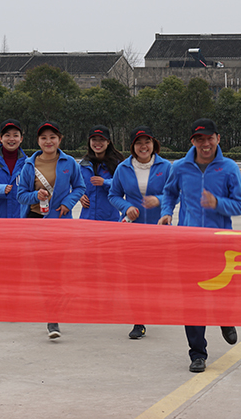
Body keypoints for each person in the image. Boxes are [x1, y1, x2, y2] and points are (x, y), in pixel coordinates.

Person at [159, 118, 241, 373]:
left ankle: (225, 318)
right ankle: (197, 353)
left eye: (209, 138)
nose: (205, 144)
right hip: (189, 244)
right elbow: (170, 193)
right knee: (192, 299)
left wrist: (217, 203)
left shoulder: (229, 168)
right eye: (199, 139)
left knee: (223, 290)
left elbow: (240, 205)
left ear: (218, 139)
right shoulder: (181, 167)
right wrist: (167, 212)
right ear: (193, 142)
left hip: (220, 243)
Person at [17, 120, 86, 339]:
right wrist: (35, 196)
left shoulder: (69, 163)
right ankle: (51, 315)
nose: (49, 141)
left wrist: (68, 203)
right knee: (45, 271)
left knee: (57, 270)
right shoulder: (30, 165)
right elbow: (20, 195)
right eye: (44, 138)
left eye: (53, 137)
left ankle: (53, 316)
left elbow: (81, 187)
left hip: (61, 222)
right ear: (38, 141)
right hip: (37, 222)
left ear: (60, 139)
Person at [108, 126, 172, 340]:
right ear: (132, 147)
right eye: (138, 143)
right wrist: (125, 207)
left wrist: (160, 200)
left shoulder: (166, 167)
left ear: (154, 144)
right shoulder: (123, 168)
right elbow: (113, 194)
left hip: (159, 229)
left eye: (147, 142)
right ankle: (138, 320)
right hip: (131, 231)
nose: (143, 146)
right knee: (135, 277)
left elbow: (175, 193)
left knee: (155, 275)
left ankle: (153, 307)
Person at [79, 125, 123, 222]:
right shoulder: (83, 164)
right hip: (87, 218)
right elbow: (75, 184)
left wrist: (105, 182)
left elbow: (123, 184)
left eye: (101, 139)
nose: (97, 143)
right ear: (89, 142)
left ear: (108, 142)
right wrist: (80, 195)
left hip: (110, 219)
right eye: (94, 139)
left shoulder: (117, 164)